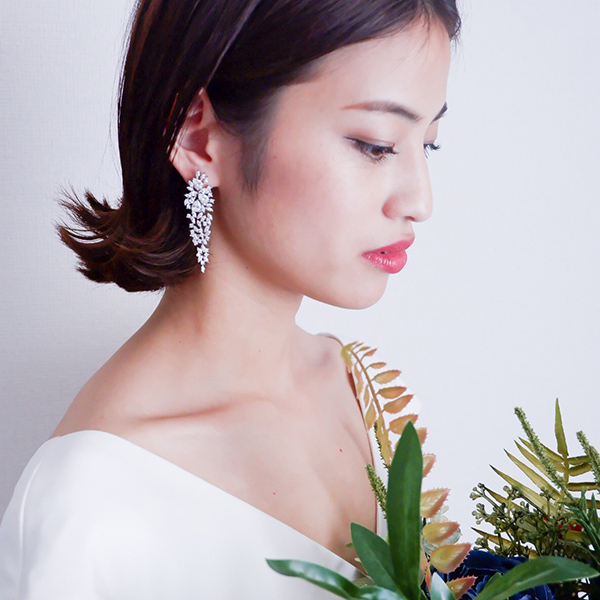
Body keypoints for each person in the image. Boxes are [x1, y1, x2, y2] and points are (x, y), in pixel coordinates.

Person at [0, 0, 460, 597]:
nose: (420, 200)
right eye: (376, 144)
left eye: (430, 143)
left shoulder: (355, 386)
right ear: (199, 136)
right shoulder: (90, 509)